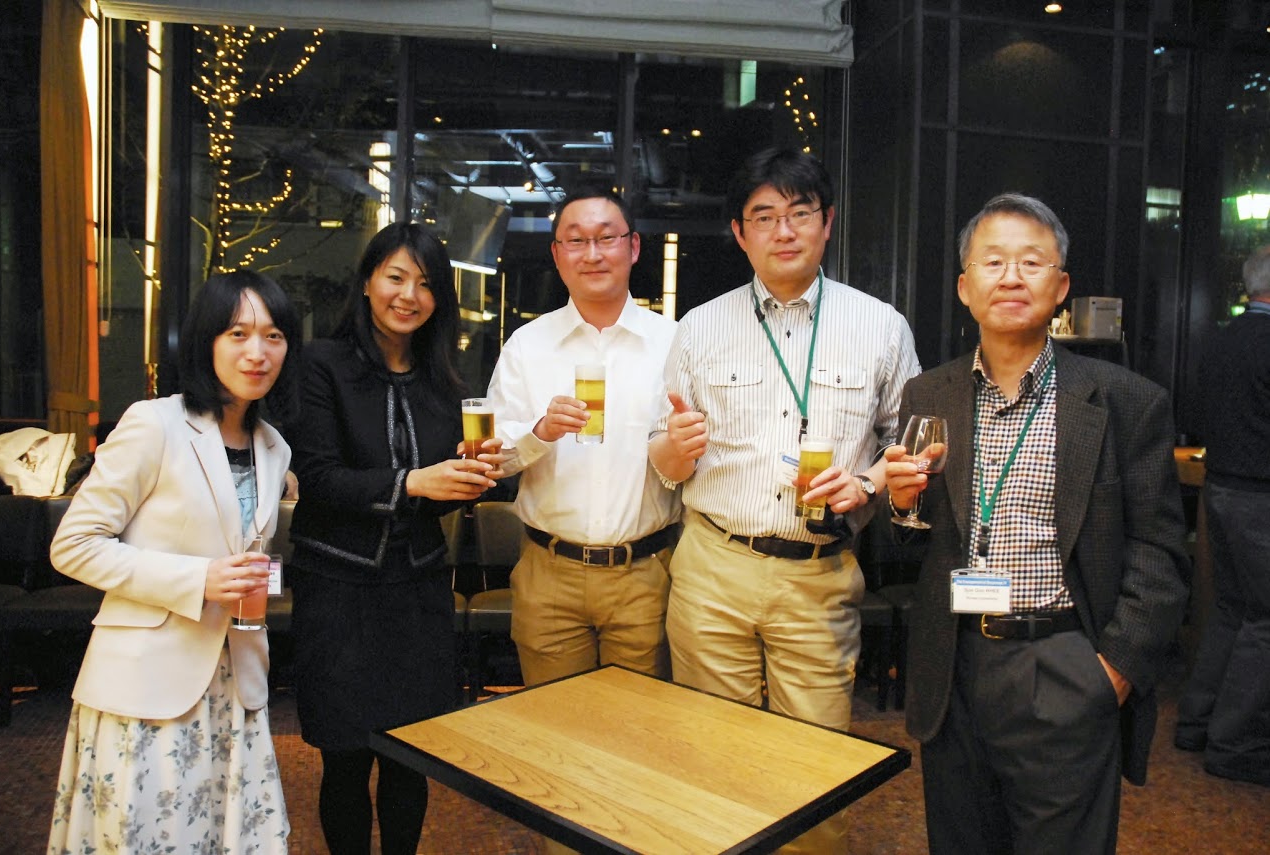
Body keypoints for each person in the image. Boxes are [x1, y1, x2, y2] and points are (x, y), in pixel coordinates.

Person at [884, 193, 1190, 853]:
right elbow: (905, 544)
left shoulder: (1125, 400)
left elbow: (1159, 552)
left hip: (1063, 661)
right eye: (992, 262)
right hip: (955, 665)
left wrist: (1111, 671)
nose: (1011, 278)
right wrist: (903, 505)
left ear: (1061, 287)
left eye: (1031, 262)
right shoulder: (927, 394)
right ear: (965, 287)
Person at [649, 146, 920, 853]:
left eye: (800, 212)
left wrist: (867, 484)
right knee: (712, 760)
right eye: (764, 216)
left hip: (818, 574)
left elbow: (912, 444)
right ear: (739, 233)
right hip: (714, 567)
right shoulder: (699, 327)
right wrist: (673, 447)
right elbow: (662, 456)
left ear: (827, 222)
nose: (785, 230)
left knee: (815, 767)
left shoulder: (880, 326)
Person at [48, 270, 299, 854]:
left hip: (235, 680)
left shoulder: (273, 446)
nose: (258, 352)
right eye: (238, 334)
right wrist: (198, 579)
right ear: (206, 340)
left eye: (274, 335)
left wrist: (259, 580)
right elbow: (74, 544)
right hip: (148, 680)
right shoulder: (154, 423)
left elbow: (244, 554)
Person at [286, 223, 502, 855]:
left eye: (426, 284)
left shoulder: (444, 382)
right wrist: (414, 482)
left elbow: (441, 493)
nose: (409, 295)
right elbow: (319, 478)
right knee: (345, 758)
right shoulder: (320, 365)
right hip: (338, 589)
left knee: (411, 754)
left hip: (418, 590)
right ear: (367, 282)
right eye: (396, 277)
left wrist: (471, 479)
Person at [486, 186, 679, 687]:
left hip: (645, 572)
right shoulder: (527, 345)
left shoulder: (674, 344)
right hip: (549, 571)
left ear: (633, 247)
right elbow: (493, 458)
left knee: (639, 723)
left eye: (606, 238)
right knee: (551, 722)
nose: (592, 254)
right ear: (557, 254)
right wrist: (539, 431)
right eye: (576, 241)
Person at [1174, 244, 1270, 786]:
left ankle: (1196, 723)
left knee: (1232, 610)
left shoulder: (1222, 338)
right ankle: (1235, 744)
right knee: (1266, 619)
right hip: (1262, 496)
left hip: (1221, 488)